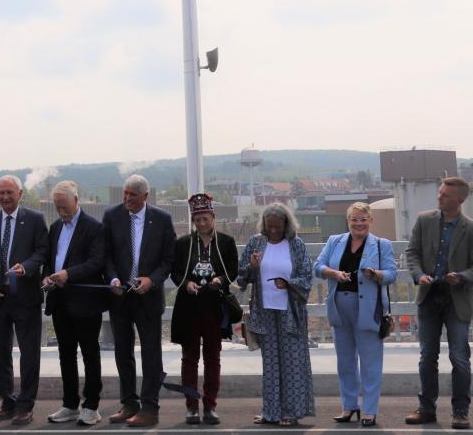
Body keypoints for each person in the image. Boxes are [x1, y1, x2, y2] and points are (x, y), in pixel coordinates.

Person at [404, 177, 473, 430]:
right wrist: (419, 275)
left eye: (445, 195)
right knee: (427, 356)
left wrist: (461, 277)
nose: (439, 198)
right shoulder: (424, 220)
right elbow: (412, 253)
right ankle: (426, 409)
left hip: (457, 299)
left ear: (460, 200)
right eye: (439, 193)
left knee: (459, 357)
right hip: (429, 296)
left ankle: (460, 411)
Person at [101, 174, 176, 428]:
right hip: (120, 297)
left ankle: (150, 408)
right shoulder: (112, 216)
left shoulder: (162, 220)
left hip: (148, 297)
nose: (127, 199)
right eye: (125, 193)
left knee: (151, 353)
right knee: (123, 352)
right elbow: (106, 255)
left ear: (146, 196)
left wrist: (152, 280)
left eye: (132, 195)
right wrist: (112, 279)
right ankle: (129, 403)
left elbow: (168, 260)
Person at [314, 201, 397, 427]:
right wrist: (334, 273)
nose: (359, 224)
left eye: (363, 219)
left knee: (370, 361)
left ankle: (369, 410)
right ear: (348, 221)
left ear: (371, 221)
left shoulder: (382, 245)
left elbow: (392, 274)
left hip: (368, 310)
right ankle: (349, 406)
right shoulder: (334, 241)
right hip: (339, 307)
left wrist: (377, 274)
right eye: (354, 219)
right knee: (345, 361)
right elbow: (317, 267)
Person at [0, 175, 49, 424]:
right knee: (1, 352)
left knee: (29, 353)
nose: (5, 197)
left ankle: (25, 405)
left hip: (26, 297)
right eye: (1, 193)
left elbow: (42, 252)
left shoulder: (36, 220)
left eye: (10, 192)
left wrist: (26, 267)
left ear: (20, 193)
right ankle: (7, 402)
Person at [237, 202, 315, 427]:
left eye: (277, 227)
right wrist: (252, 267)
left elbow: (306, 276)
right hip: (265, 313)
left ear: (286, 225)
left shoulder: (295, 244)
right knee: (270, 365)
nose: (273, 231)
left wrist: (289, 283)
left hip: (291, 314)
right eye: (269, 226)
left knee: (292, 364)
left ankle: (290, 412)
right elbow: (242, 279)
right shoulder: (256, 243)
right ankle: (270, 412)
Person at [40, 180, 107, 426]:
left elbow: (96, 261)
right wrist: (47, 276)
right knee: (65, 354)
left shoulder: (94, 227)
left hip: (85, 301)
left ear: (76, 201)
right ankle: (69, 404)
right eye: (57, 206)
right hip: (60, 301)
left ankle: (91, 406)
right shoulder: (55, 227)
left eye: (64, 206)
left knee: (90, 353)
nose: (61, 211)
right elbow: (49, 259)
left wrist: (69, 274)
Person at [170, 193, 239, 426]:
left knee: (213, 357)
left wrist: (220, 280)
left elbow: (232, 269)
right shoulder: (183, 244)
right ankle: (191, 407)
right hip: (189, 307)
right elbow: (176, 271)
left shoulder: (226, 242)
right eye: (197, 219)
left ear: (213, 217)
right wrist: (186, 283)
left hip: (214, 307)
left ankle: (210, 405)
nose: (201, 223)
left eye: (205, 219)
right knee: (189, 358)